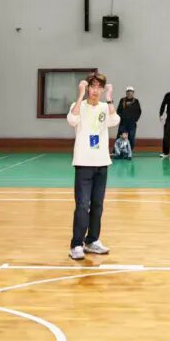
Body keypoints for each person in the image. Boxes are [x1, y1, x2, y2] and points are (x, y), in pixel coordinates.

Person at [68, 72, 120, 260]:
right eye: (92, 86)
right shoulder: (78, 106)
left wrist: (110, 98)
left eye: (99, 87)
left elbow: (115, 121)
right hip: (83, 163)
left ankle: (92, 240)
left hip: (102, 163)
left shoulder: (105, 107)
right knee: (83, 205)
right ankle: (76, 244)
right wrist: (80, 94)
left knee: (97, 204)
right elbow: (72, 120)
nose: (95, 90)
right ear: (88, 87)